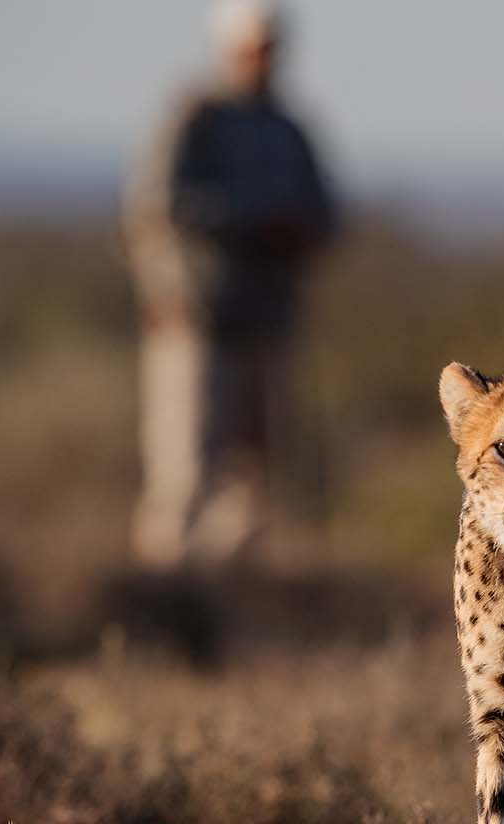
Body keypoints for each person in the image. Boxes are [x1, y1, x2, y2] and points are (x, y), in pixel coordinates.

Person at [123, 0, 337, 570]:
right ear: (230, 47)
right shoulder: (196, 117)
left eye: (272, 47)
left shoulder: (290, 129)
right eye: (255, 47)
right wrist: (250, 220)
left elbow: (324, 214)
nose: (265, 59)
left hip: (268, 325)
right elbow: (159, 204)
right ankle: (164, 600)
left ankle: (233, 609)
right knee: (186, 473)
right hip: (195, 323)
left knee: (254, 480)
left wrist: (295, 231)